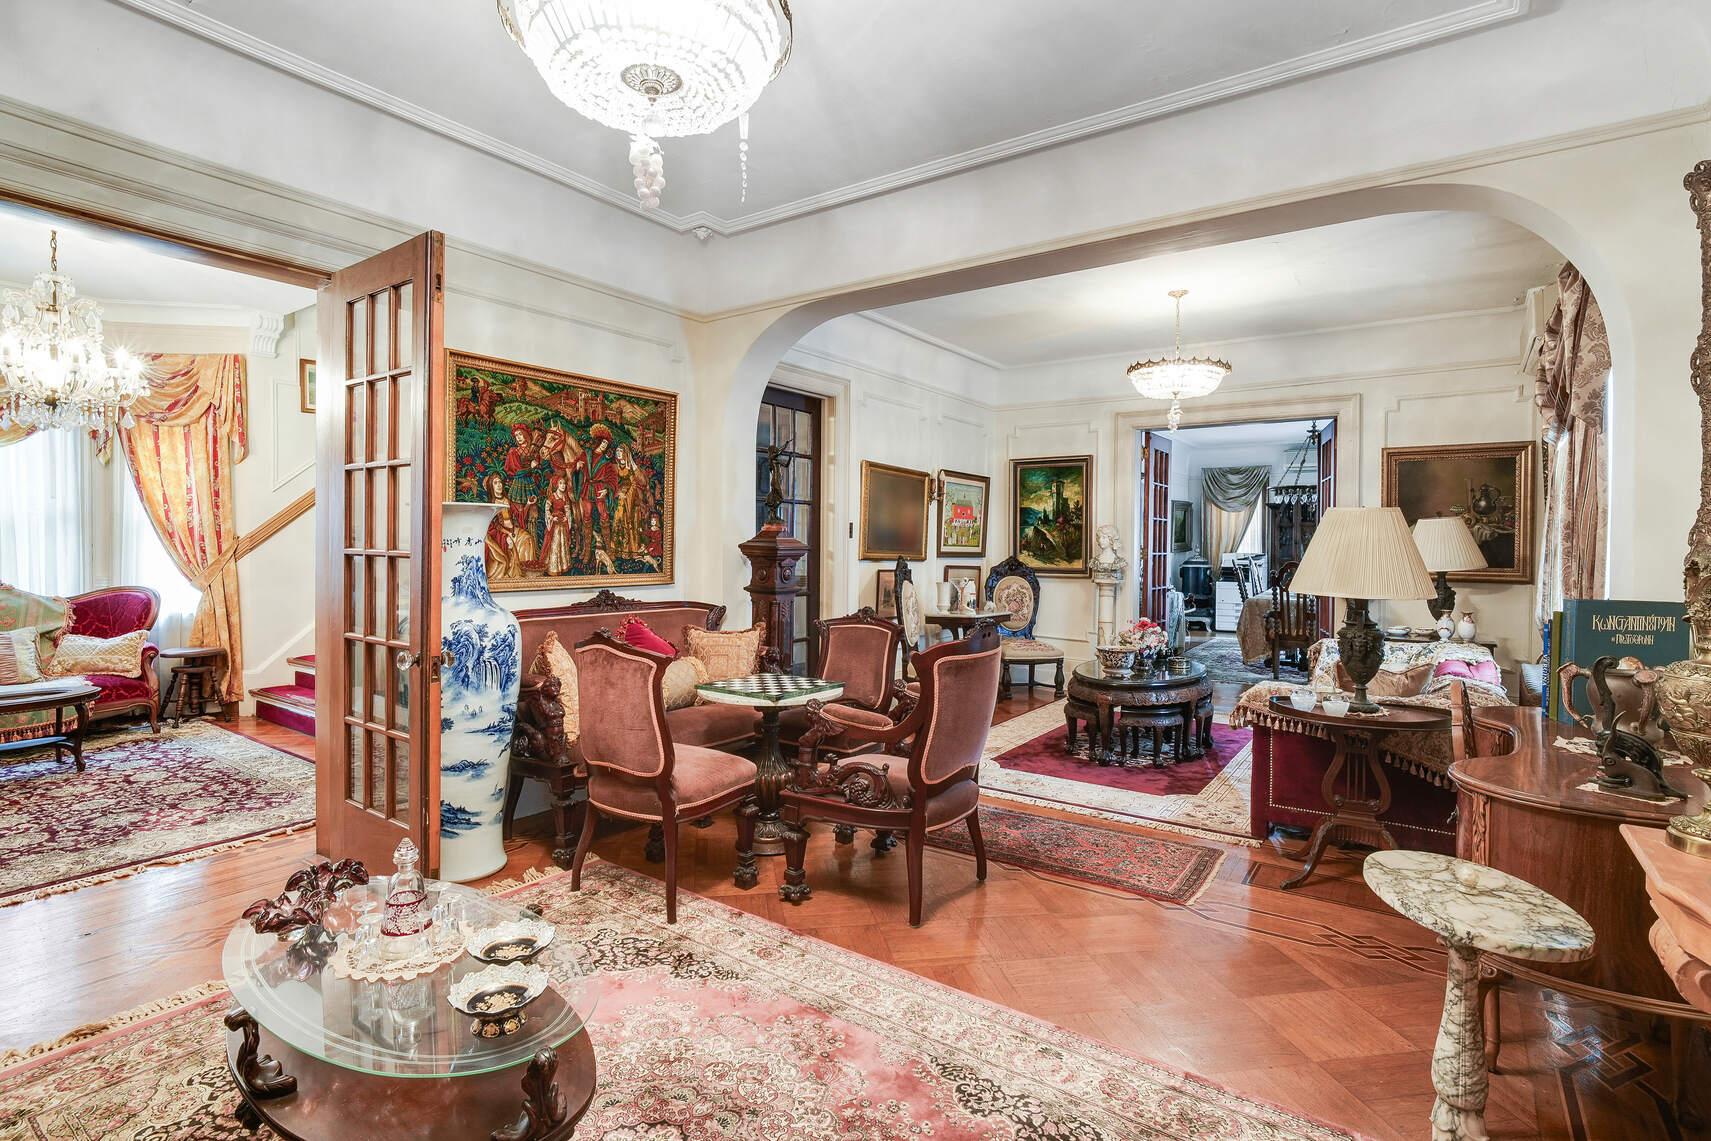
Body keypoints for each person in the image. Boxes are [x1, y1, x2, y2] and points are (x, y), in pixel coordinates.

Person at [541, 475, 574, 576]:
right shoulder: (553, 496)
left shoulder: (565, 498)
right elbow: (546, 509)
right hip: (554, 524)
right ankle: (553, 567)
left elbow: (567, 510)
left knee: (562, 544)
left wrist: (566, 517)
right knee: (554, 544)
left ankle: (563, 566)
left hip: (562, 524)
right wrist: (551, 518)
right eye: (560, 483)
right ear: (556, 485)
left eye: (564, 483)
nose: (563, 485)